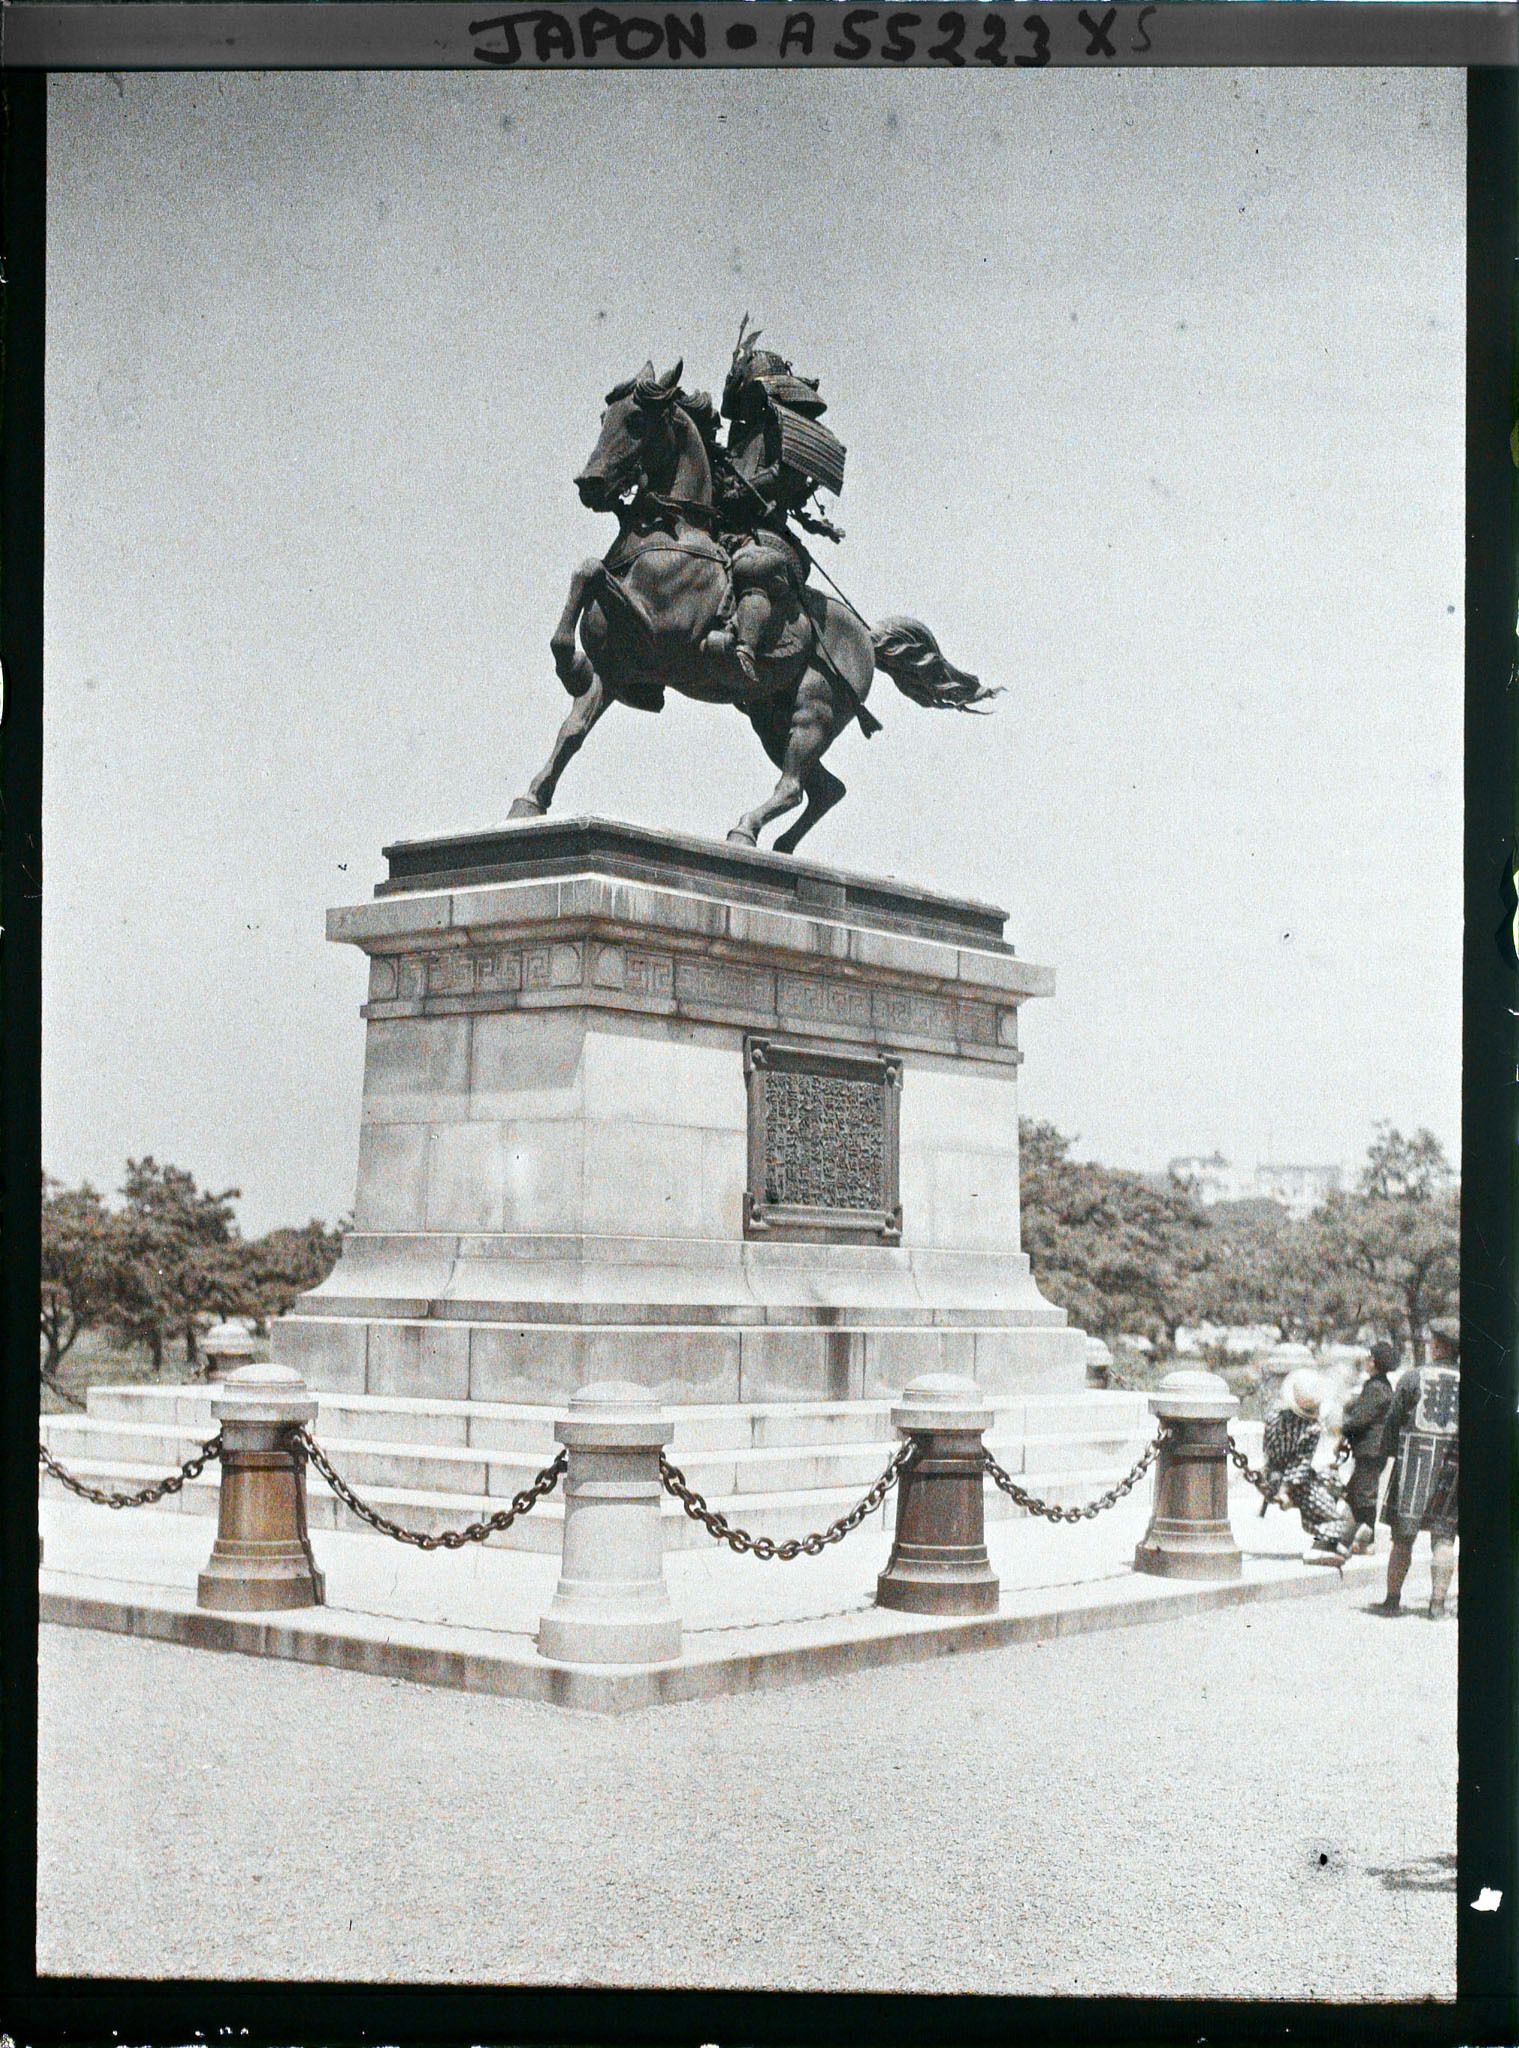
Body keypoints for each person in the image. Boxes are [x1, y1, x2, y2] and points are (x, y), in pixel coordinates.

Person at [704, 315, 847, 688]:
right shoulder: (737, 438)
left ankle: (746, 651)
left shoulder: (782, 429)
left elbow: (789, 476)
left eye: (751, 393)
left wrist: (752, 488)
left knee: (755, 566)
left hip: (766, 532)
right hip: (727, 526)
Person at [1375, 1321, 1460, 1619]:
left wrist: (1384, 1454)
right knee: (1444, 1537)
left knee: (1403, 1537)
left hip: (1414, 1466)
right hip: (1453, 1469)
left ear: (1440, 1346)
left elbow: (1393, 1420)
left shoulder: (1413, 1378)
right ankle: (1436, 1605)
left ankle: (1392, 1600)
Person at [1261, 1369, 1356, 1564]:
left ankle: (1327, 1541)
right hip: (1296, 1485)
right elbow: (1300, 1465)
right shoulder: (1311, 1428)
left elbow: (1269, 1453)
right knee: (1335, 1518)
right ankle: (1321, 1546)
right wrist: (1286, 1491)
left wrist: (1275, 1484)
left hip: (1272, 1478)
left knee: (1328, 1489)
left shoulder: (1272, 1418)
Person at [1340, 1341, 1397, 1552]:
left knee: (1364, 1494)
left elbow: (1359, 1420)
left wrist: (1342, 1429)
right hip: (1373, 1449)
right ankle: (1353, 1538)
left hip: (1371, 1449)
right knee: (1356, 1491)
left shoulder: (1375, 1388)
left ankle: (1367, 1540)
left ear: (1373, 1362)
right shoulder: (1380, 1385)